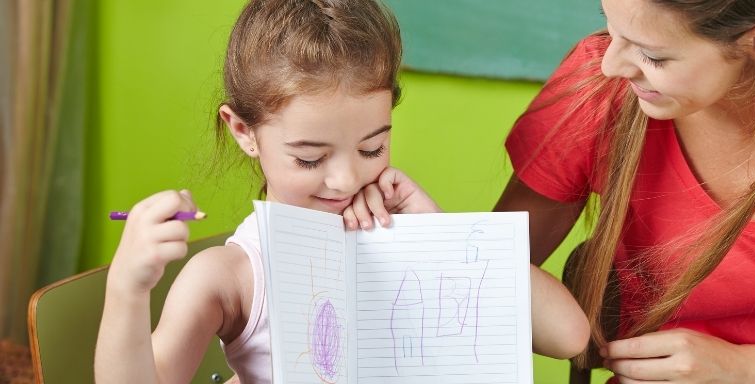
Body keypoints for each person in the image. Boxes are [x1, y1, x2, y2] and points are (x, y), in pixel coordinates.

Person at [94, 0, 588, 382]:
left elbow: (568, 335)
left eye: (372, 148)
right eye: (310, 158)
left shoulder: (400, 235)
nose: (346, 180)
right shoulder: (231, 276)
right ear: (244, 132)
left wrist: (441, 236)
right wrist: (127, 288)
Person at [495, 0, 755, 382]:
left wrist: (743, 370)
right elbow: (487, 283)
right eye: (610, 26)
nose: (610, 65)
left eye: (653, 56)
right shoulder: (598, 84)